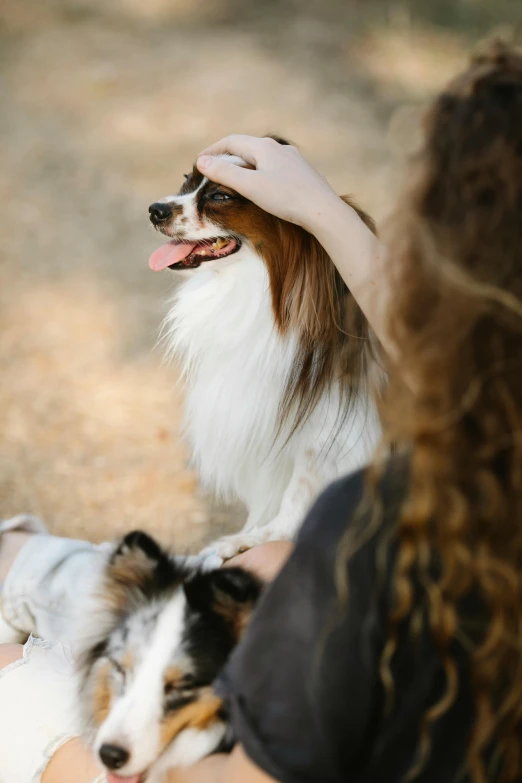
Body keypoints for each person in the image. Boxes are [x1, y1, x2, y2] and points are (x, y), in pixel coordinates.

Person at [2, 39, 522, 783]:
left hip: (215, 712)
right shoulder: (484, 451)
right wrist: (315, 208)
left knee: (25, 639)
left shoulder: (367, 528)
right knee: (30, 565)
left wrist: (37, 728)